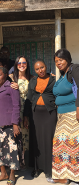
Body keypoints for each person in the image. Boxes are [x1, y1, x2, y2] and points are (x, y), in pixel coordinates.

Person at [24, 60, 57, 181]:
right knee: (36, 140)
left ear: (46, 66)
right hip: (35, 114)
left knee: (49, 139)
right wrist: (26, 116)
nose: (40, 70)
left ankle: (49, 170)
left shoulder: (54, 79)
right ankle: (36, 168)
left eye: (42, 67)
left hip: (50, 113)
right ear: (35, 70)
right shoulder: (32, 81)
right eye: (37, 69)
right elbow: (28, 98)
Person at [51, 49, 79, 185]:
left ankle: (70, 176)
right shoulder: (63, 74)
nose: (58, 63)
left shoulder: (75, 69)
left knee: (71, 145)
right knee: (63, 145)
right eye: (56, 61)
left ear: (67, 58)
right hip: (63, 115)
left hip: (73, 114)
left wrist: (78, 109)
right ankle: (66, 175)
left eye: (60, 60)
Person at [0, 67, 22, 185]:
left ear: (5, 75)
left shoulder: (11, 87)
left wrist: (15, 124)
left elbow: (16, 106)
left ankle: (12, 174)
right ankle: (3, 173)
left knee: (12, 150)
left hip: (9, 124)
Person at [9, 56, 33, 168]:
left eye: (24, 62)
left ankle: (25, 161)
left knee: (26, 135)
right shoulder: (10, 78)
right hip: (14, 110)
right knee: (15, 135)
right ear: (16, 65)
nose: (22, 65)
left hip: (28, 110)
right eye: (19, 63)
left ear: (27, 64)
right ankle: (15, 161)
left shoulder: (31, 78)